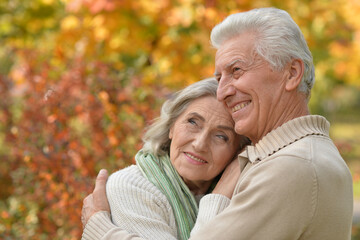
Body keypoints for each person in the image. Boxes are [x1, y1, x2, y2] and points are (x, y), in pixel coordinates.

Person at [82, 7, 354, 240]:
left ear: (292, 73)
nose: (222, 91)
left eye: (236, 70)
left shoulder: (291, 166)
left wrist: (100, 228)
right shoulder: (306, 155)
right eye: (219, 76)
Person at [81, 78, 250, 240]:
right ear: (171, 126)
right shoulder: (130, 187)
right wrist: (219, 196)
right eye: (192, 122)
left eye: (221, 136)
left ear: (236, 151)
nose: (200, 144)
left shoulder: (243, 197)